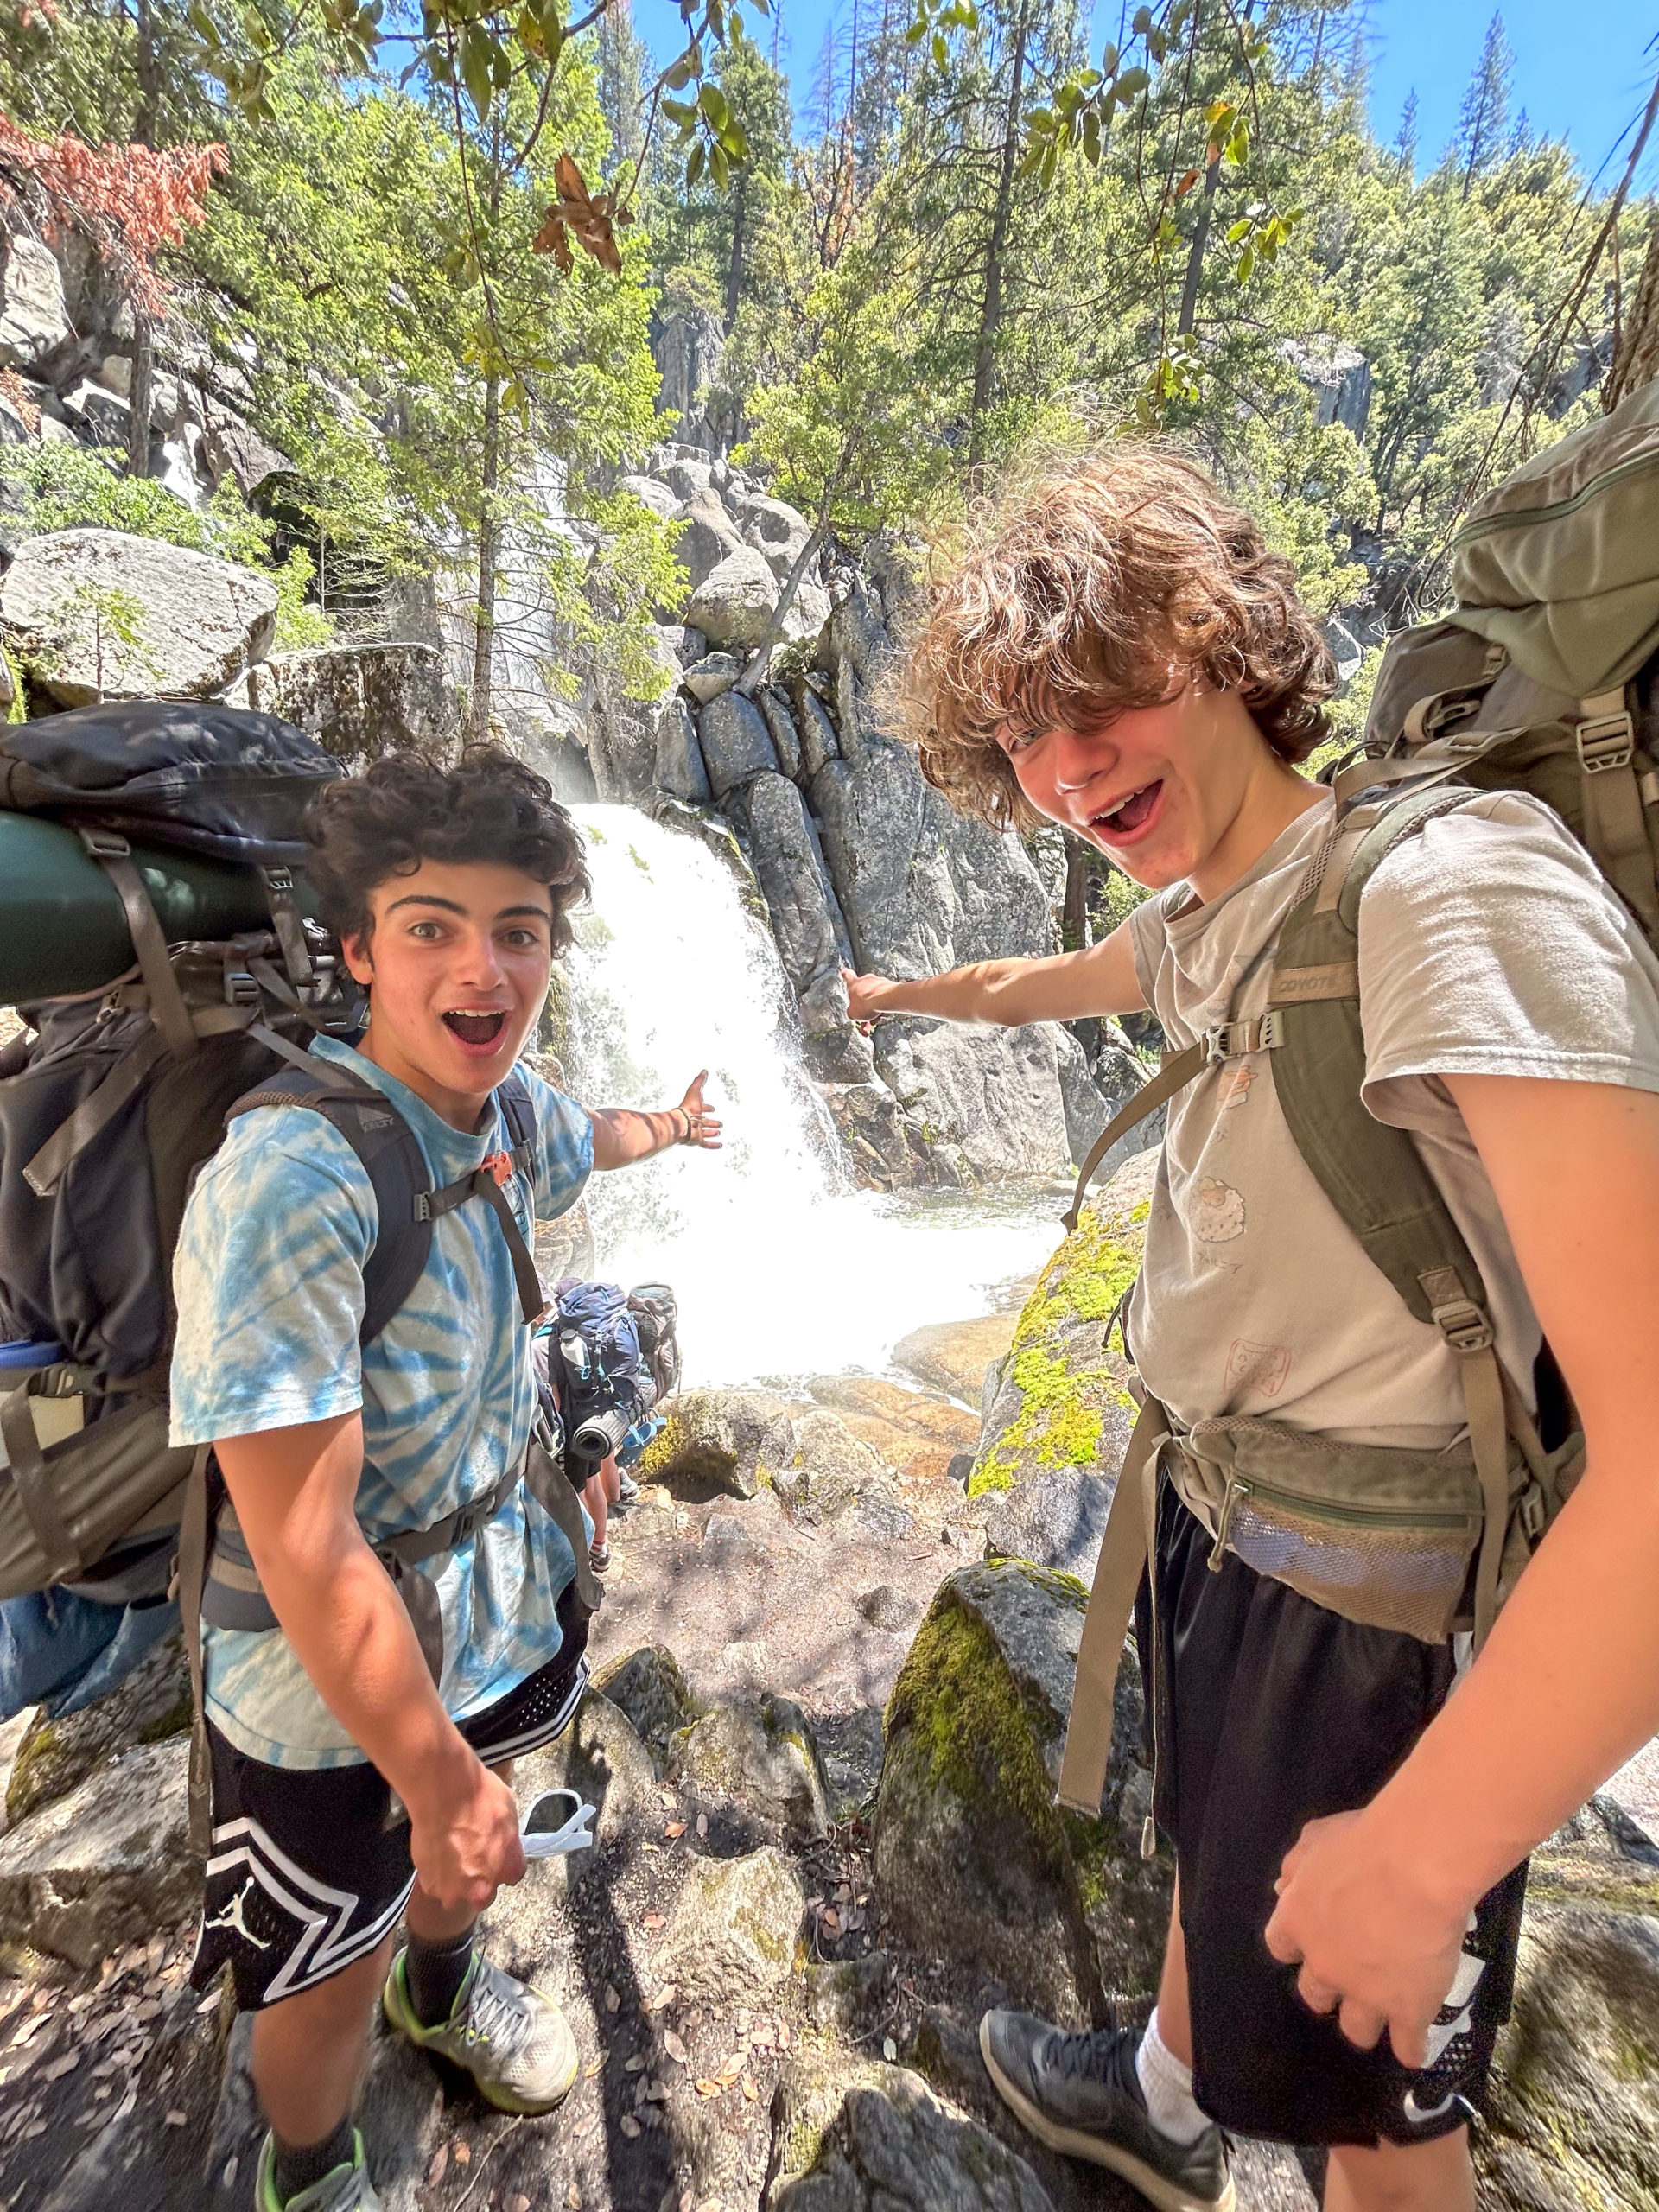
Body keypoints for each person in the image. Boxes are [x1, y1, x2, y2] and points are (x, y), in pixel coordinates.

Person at [842, 450, 1659, 2212]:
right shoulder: (1219, 907)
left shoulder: (1448, 892)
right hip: (1224, 1523)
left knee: (1379, 2120)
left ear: (1221, 642)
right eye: (1025, 737)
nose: (1068, 769)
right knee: (1210, 1847)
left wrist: (1426, 1850)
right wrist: (901, 991)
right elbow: (1048, 982)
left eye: (1104, 698)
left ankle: (1220, 2108)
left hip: (1383, 1607)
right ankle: (1160, 2099)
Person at [171, 746, 721, 2212]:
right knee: (323, 1971)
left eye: (517, 932)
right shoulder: (292, 1183)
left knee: (459, 1855)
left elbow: (588, 1139)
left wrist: (673, 1126)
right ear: (359, 950)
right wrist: (430, 1778)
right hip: (322, 1685)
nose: (483, 969)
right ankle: (309, 2168)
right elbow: (304, 1543)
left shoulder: (509, 1113)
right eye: (431, 927)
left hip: (485, 1600)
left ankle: (444, 1986)